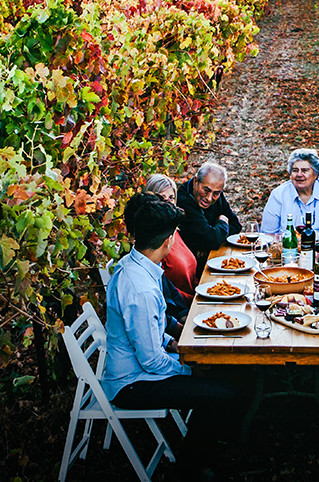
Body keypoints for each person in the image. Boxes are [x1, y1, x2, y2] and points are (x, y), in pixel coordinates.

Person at [102, 193, 238, 477]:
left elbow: (149, 330)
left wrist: (173, 343)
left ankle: (209, 450)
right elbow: (150, 360)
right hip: (132, 384)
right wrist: (187, 369)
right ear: (168, 241)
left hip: (142, 367)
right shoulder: (140, 289)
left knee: (223, 373)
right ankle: (191, 468)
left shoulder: (137, 266)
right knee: (221, 393)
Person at [260, 148, 319, 235]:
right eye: (295, 170)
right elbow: (268, 234)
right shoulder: (278, 195)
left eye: (305, 170)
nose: (299, 175)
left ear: (316, 174)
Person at [144, 174, 199, 300]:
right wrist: (195, 299)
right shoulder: (152, 243)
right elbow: (165, 291)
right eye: (162, 198)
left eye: (171, 198)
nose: (168, 203)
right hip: (180, 310)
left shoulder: (174, 231)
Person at [176, 161, 242, 267]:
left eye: (216, 193)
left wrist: (208, 244)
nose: (209, 198)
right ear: (195, 181)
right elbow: (213, 239)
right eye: (205, 190)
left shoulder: (215, 191)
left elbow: (236, 225)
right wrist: (222, 222)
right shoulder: (183, 200)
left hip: (210, 257)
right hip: (190, 263)